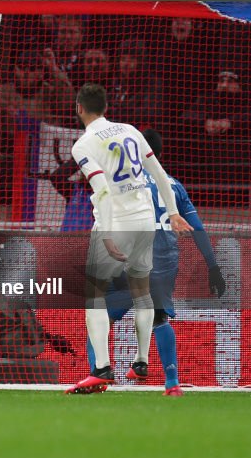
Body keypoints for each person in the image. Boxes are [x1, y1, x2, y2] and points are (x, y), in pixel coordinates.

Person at [65, 83, 192, 395]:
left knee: (94, 298)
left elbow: (103, 190)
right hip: (145, 219)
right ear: (106, 107)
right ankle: (141, 358)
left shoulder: (83, 144)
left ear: (79, 108)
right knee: (141, 292)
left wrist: (107, 233)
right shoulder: (131, 130)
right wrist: (174, 212)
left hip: (116, 222)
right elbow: (160, 174)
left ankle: (101, 369)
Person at [86, 129, 226, 397]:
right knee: (158, 318)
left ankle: (98, 377)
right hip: (165, 260)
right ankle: (171, 383)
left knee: (100, 315)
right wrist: (212, 266)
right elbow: (196, 226)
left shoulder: (123, 183)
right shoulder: (173, 185)